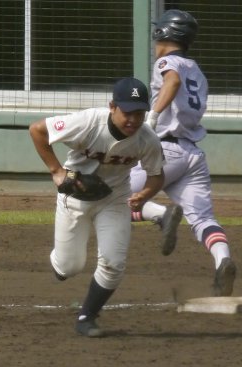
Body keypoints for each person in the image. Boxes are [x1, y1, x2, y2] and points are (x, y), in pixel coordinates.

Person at [29, 77, 166, 338]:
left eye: (139, 113)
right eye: (127, 112)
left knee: (114, 263)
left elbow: (157, 175)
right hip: (76, 195)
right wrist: (57, 171)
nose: (133, 120)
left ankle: (87, 317)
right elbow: (37, 130)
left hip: (114, 198)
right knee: (69, 267)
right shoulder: (88, 122)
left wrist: (145, 194)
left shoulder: (146, 139)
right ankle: (59, 262)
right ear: (112, 106)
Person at [130, 9, 237, 297]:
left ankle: (161, 215)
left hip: (165, 150)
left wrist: (152, 116)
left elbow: (172, 81)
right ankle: (222, 260)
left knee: (109, 199)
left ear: (163, 33)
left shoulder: (168, 62)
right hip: (193, 156)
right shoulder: (198, 71)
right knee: (203, 219)